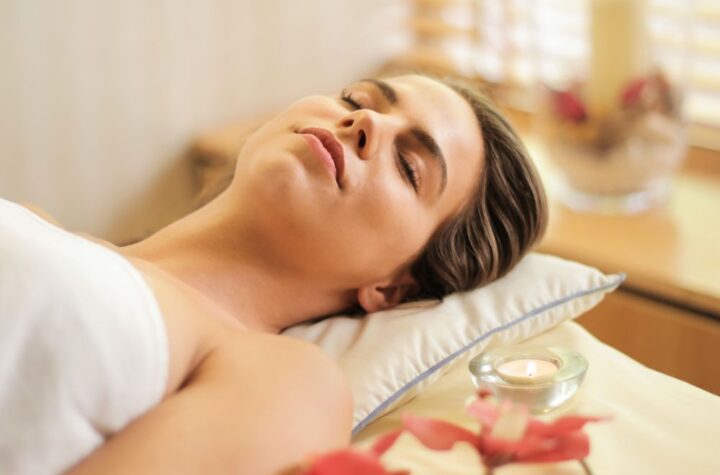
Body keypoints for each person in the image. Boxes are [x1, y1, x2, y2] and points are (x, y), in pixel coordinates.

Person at [0, 74, 547, 474]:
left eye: (409, 168)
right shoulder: (38, 222)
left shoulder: (289, 381)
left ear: (392, 287)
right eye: (356, 100)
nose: (367, 122)